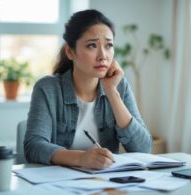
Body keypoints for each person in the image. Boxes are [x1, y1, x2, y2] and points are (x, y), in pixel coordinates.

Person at [24, 9, 152, 170]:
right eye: (92, 45)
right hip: (58, 184)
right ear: (70, 52)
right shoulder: (48, 88)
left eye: (109, 45)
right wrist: (80, 158)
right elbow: (33, 147)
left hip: (105, 184)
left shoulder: (119, 85)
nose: (103, 55)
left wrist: (112, 92)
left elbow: (143, 148)